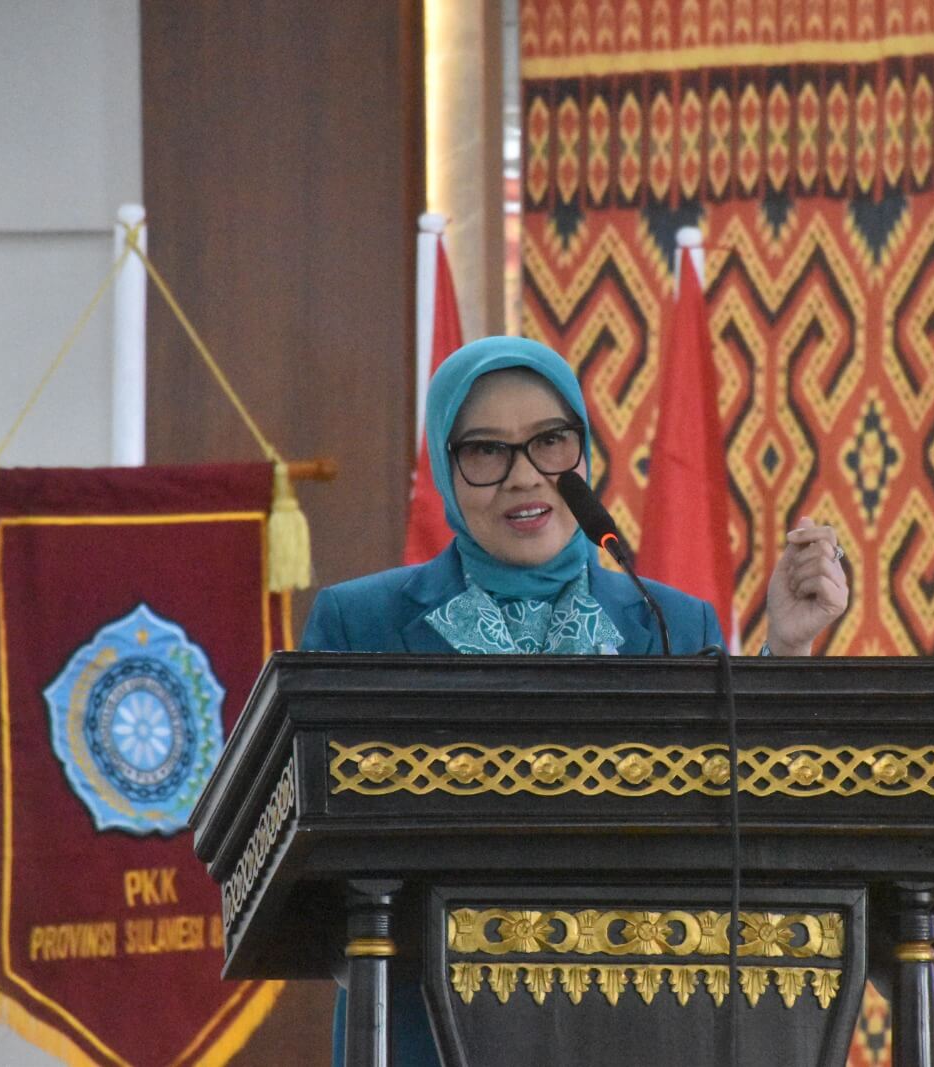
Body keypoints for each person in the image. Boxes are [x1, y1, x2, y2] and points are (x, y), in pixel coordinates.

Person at [303, 335, 849, 1065]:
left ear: (583, 450)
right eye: (486, 451)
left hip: (639, 1021)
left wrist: (786, 649)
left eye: (550, 442)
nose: (526, 476)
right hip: (420, 1027)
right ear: (444, 466)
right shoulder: (360, 623)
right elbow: (312, 861)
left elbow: (744, 818)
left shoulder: (670, 622)